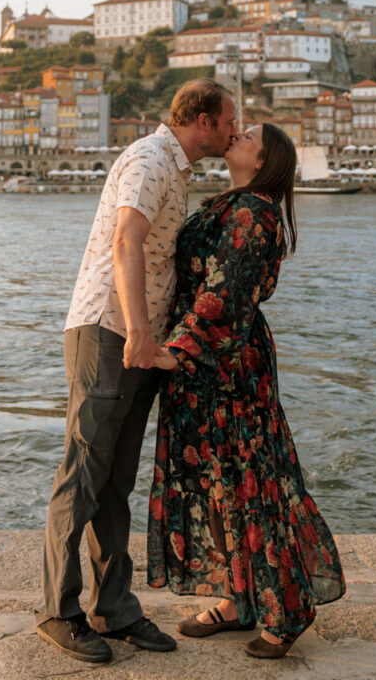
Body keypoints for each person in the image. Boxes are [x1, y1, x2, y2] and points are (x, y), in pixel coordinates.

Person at [35, 79, 237, 665]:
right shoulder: (150, 160)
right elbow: (127, 242)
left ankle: (114, 609)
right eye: (228, 120)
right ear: (202, 119)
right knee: (82, 473)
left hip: (136, 341)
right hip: (109, 331)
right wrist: (143, 330)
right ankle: (58, 609)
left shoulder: (176, 169)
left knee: (116, 481)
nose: (232, 130)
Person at [148, 123, 345, 659]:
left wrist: (172, 351)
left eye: (250, 133)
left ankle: (287, 609)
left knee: (252, 486)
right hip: (203, 364)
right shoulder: (233, 201)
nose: (238, 132)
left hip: (228, 367)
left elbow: (227, 292)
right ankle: (238, 600)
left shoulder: (255, 213)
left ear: (263, 160)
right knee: (217, 486)